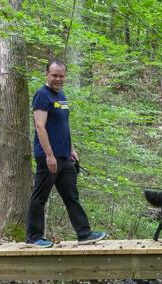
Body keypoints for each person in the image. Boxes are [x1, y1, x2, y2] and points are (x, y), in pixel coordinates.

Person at [25, 61, 106, 248]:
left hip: (65, 156)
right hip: (49, 156)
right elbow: (40, 126)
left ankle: (84, 234)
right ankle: (33, 236)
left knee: (71, 196)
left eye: (61, 76)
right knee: (40, 197)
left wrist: (71, 149)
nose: (58, 79)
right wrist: (49, 155)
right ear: (47, 74)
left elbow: (63, 126)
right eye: (54, 75)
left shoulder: (61, 95)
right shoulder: (41, 95)